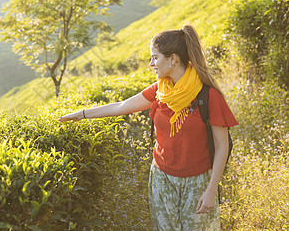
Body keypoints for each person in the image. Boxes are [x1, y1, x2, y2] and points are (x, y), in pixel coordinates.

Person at [58, 24, 238, 230]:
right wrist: (81, 114)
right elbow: (122, 106)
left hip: (197, 183)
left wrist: (211, 190)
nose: (151, 63)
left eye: (155, 57)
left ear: (173, 59)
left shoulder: (208, 95)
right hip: (162, 179)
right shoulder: (161, 90)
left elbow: (222, 147)